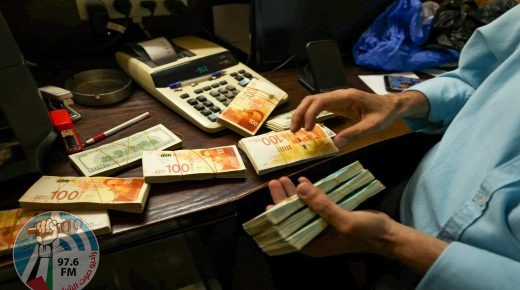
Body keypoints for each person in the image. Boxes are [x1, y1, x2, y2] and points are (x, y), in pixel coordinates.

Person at [266, 4, 520, 289]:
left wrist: (391, 241)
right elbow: (476, 79)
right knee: (288, 238)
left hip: (450, 275)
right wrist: (397, 103)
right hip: (415, 198)